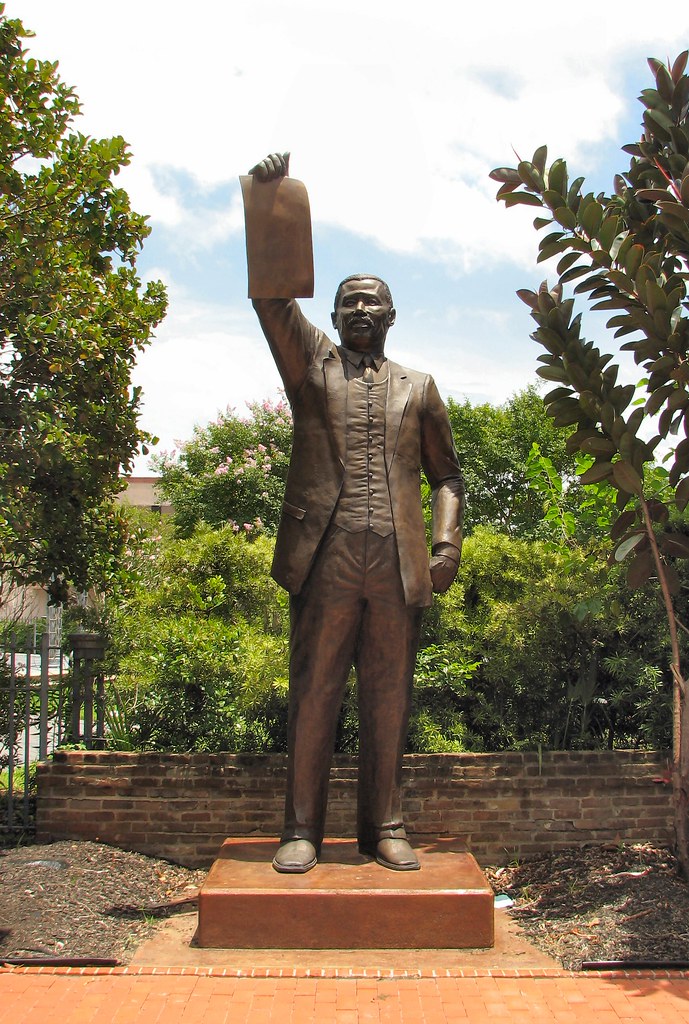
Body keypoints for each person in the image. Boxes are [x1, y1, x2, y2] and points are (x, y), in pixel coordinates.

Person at [247, 153, 465, 873]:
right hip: (327, 557)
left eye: (373, 301)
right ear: (336, 316)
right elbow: (274, 301)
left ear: (391, 314)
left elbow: (448, 477)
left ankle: (386, 828)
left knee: (388, 701)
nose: (361, 311)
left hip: (398, 564)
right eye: (349, 302)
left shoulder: (419, 387)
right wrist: (273, 199)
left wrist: (445, 548)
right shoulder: (311, 366)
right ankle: (300, 830)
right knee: (313, 694)